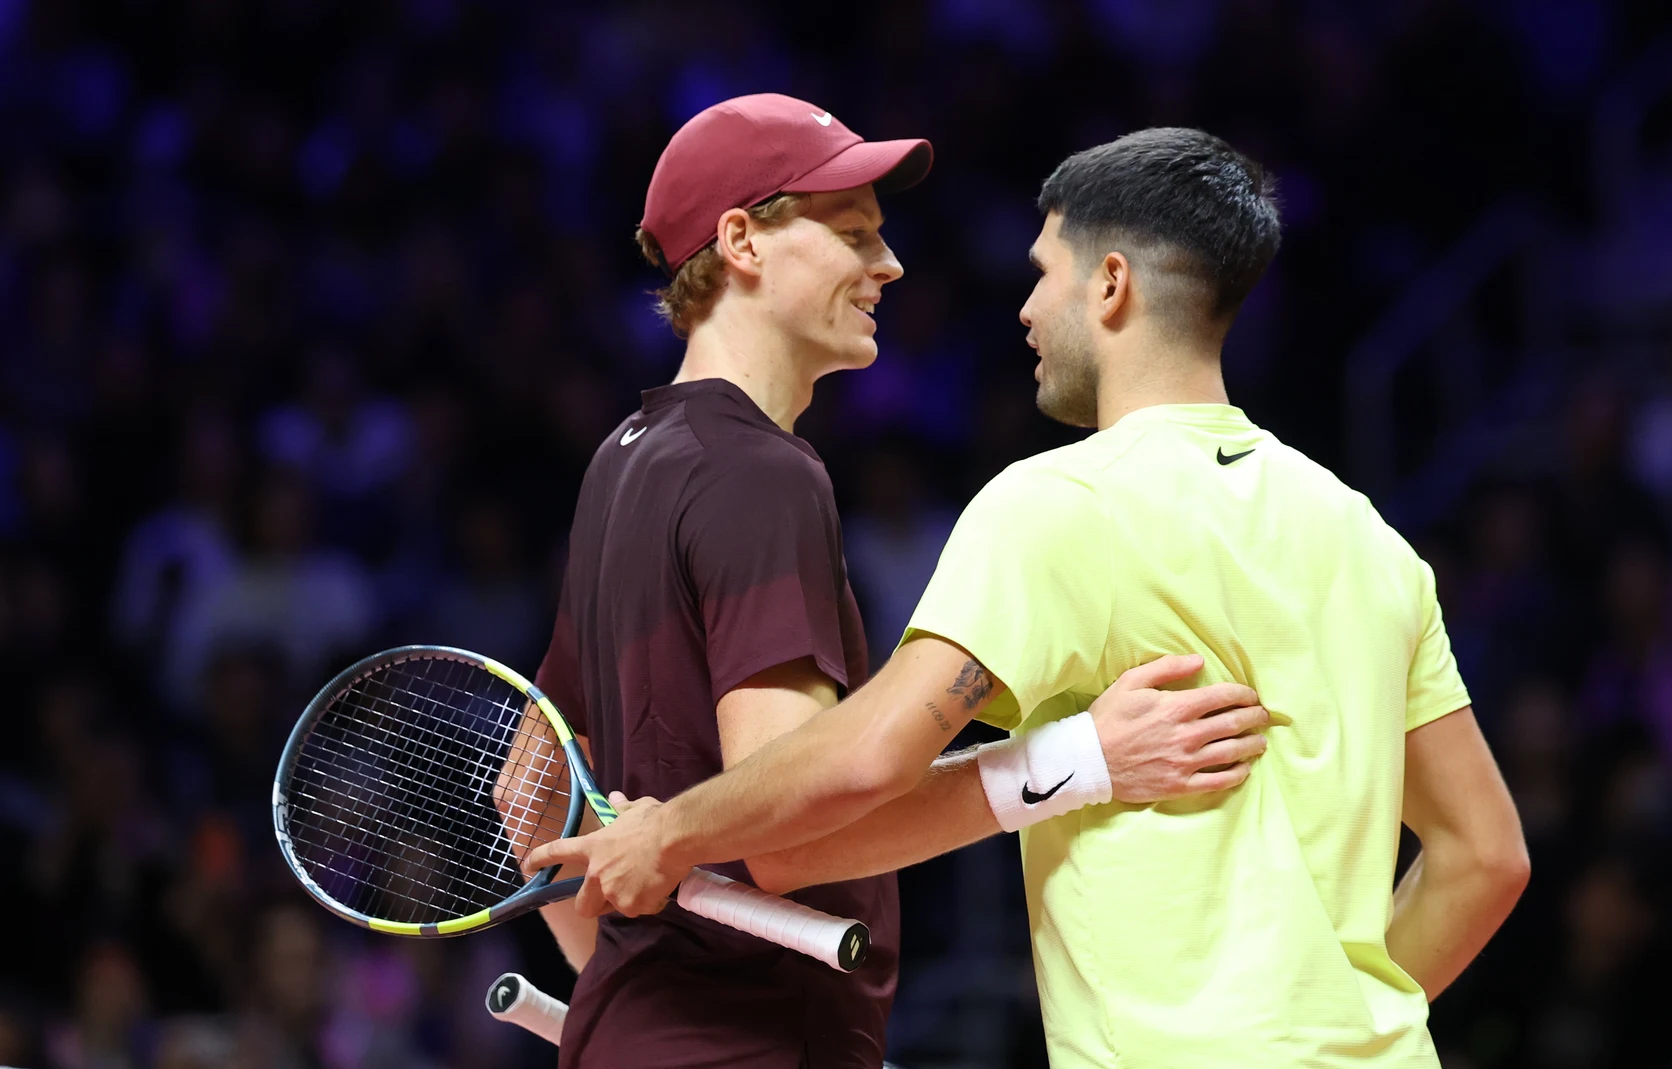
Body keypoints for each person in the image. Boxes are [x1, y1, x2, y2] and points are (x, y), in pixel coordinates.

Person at [530, 127, 1532, 1067]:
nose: (1022, 311)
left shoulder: (1055, 505)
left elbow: (847, 778)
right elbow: (1486, 857)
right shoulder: (1369, 537)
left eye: (1041, 276)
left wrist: (670, 838)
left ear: (1110, 285)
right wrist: (1336, 1021)